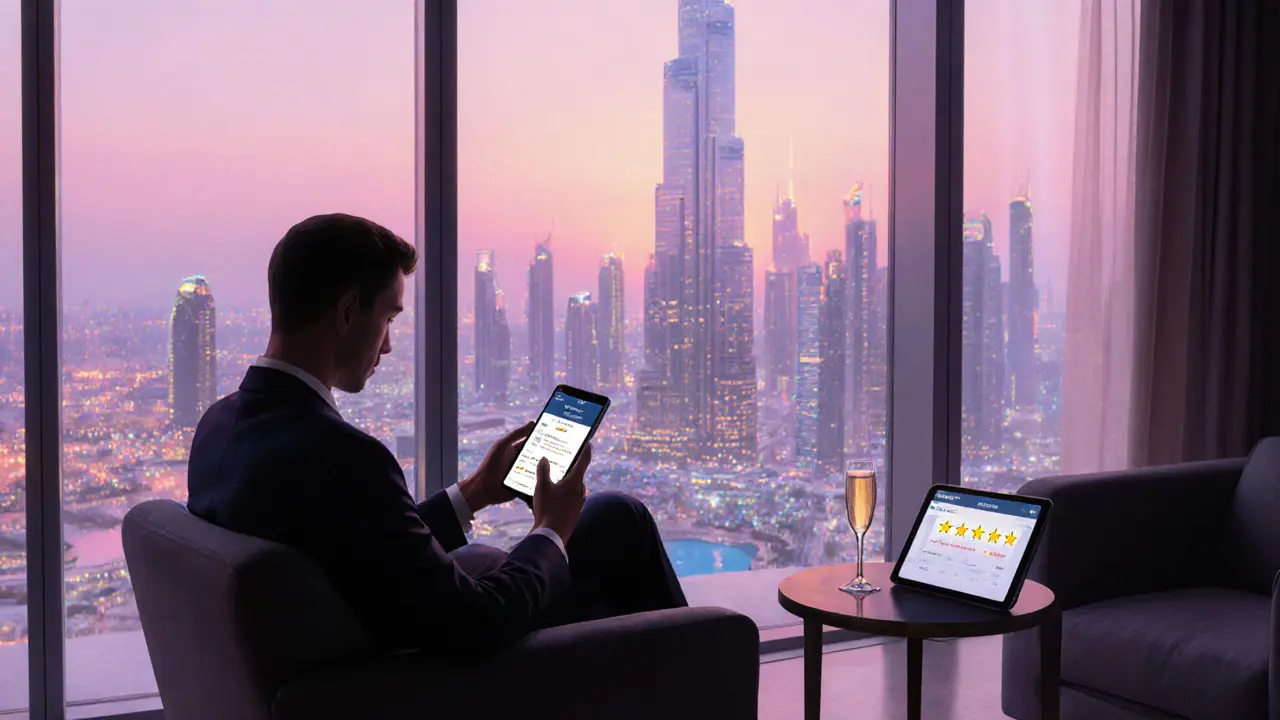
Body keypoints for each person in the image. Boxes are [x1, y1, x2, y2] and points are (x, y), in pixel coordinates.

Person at [187, 213, 687, 657]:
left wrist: (473, 494)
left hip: (362, 636)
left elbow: (364, 544)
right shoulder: (344, 458)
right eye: (387, 319)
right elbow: (479, 620)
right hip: (429, 677)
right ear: (345, 313)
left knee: (613, 518)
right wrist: (550, 528)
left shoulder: (217, 428)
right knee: (625, 521)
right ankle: (700, 671)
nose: (386, 345)